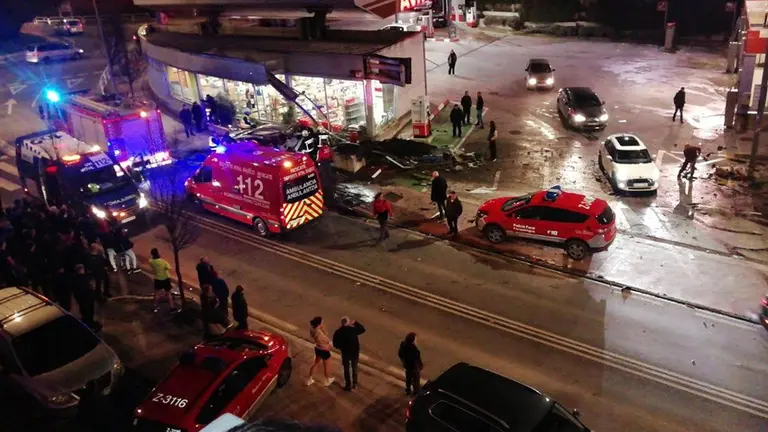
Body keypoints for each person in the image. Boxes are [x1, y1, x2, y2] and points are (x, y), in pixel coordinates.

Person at [332, 317, 366, 391]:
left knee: (346, 369)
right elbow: (363, 329)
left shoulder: (338, 332)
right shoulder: (353, 330)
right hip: (354, 353)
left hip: (345, 353)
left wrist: (341, 347)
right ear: (348, 323)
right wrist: (355, 323)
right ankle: (354, 383)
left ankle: (348, 385)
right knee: (354, 367)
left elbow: (335, 344)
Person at [307, 316, 335, 387]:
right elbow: (328, 341)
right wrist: (329, 346)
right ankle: (327, 380)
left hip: (318, 348)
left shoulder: (312, 329)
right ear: (319, 324)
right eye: (322, 322)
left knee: (315, 363)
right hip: (324, 350)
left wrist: (321, 328)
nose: (323, 323)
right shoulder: (320, 333)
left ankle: (310, 379)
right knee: (326, 366)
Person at [72, 264, 100, 331]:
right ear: (82, 269)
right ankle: (91, 326)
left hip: (81, 300)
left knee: (84, 313)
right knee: (90, 313)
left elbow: (74, 291)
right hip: (88, 299)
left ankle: (87, 325)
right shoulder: (87, 278)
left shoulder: (74, 279)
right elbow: (91, 288)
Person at [149, 248, 176, 312]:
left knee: (157, 293)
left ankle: (155, 306)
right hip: (165, 278)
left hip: (157, 279)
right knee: (168, 294)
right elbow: (169, 268)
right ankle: (172, 308)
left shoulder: (151, 261)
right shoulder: (163, 261)